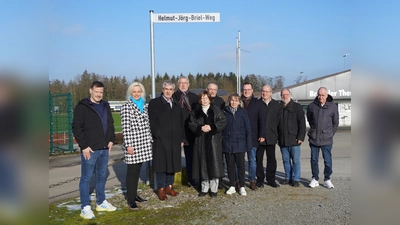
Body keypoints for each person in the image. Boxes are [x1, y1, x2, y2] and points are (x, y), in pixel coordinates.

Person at [72, 81, 117, 219]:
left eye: (101, 92)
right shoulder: (83, 107)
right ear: (90, 90)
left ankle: (101, 202)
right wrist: (84, 146)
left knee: (101, 176)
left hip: (104, 148)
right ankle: (85, 207)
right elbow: (76, 127)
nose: (99, 94)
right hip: (90, 149)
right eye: (96, 91)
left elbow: (110, 124)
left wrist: (111, 139)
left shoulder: (105, 105)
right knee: (86, 177)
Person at [148, 80, 184, 201]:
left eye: (170, 89)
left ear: (173, 91)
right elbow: (151, 121)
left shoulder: (176, 104)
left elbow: (180, 122)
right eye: (166, 89)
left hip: (174, 140)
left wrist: (181, 138)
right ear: (162, 90)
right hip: (161, 140)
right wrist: (157, 134)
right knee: (162, 165)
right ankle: (161, 188)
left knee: (172, 164)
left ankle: (169, 186)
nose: (168, 91)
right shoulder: (155, 103)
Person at [120, 82, 153, 210]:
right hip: (133, 144)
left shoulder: (144, 106)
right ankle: (130, 198)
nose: (137, 94)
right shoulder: (126, 107)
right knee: (132, 172)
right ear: (130, 93)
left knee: (137, 171)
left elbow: (148, 124)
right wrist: (128, 145)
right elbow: (126, 128)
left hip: (143, 143)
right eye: (134, 92)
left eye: (139, 91)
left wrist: (149, 139)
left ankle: (135, 195)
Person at [188, 91, 226, 197]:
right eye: (202, 98)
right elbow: (191, 123)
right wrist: (200, 128)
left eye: (206, 98)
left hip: (213, 141)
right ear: (200, 100)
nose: (204, 100)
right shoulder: (195, 111)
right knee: (202, 163)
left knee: (214, 164)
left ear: (210, 99)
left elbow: (222, 120)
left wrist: (212, 127)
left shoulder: (215, 110)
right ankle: (204, 188)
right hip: (200, 141)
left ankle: (214, 189)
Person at [307, 87, 339, 189]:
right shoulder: (312, 106)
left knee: (327, 161)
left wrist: (330, 133)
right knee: (314, 160)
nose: (321, 97)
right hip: (314, 138)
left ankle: (327, 179)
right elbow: (309, 119)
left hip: (327, 139)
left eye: (323, 95)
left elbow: (335, 123)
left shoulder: (332, 107)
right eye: (319, 95)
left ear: (327, 95)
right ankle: (315, 179)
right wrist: (313, 131)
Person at [222, 94, 252, 196]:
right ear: (229, 101)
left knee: (241, 166)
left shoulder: (242, 112)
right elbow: (221, 127)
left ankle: (242, 186)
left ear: (239, 102)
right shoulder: (225, 112)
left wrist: (248, 144)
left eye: (236, 100)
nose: (234, 102)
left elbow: (248, 128)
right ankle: (232, 185)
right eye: (232, 100)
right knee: (230, 165)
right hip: (228, 142)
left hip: (240, 143)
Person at [172, 76, 199, 187]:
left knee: (191, 157)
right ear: (178, 84)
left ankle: (191, 179)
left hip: (190, 132)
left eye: (185, 83)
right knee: (174, 156)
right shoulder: (173, 97)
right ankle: (171, 180)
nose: (183, 85)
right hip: (176, 130)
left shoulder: (194, 97)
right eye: (181, 83)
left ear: (188, 84)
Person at [277, 89, 306, 187]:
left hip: (294, 139)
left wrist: (301, 137)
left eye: (286, 94)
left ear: (290, 95)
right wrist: (277, 137)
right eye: (283, 95)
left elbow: (302, 123)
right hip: (282, 139)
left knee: (296, 160)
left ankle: (296, 178)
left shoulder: (297, 107)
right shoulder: (279, 108)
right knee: (286, 161)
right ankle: (287, 177)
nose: (285, 96)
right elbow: (276, 124)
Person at [241, 82, 266, 190]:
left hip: (253, 136)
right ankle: (239, 180)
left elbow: (262, 120)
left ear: (252, 90)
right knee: (240, 160)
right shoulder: (237, 101)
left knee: (252, 160)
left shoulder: (258, 103)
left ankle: (252, 180)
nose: (246, 91)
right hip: (240, 136)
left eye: (248, 89)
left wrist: (262, 134)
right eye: (244, 89)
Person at [256, 85, 281, 188]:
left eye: (267, 91)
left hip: (271, 137)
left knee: (271, 160)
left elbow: (279, 122)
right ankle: (260, 180)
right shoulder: (257, 104)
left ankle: (271, 179)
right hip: (259, 137)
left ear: (271, 93)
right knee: (259, 159)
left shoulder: (276, 105)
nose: (264, 93)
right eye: (263, 91)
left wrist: (278, 136)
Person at [206, 82, 226, 189]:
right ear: (207, 89)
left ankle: (220, 181)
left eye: (214, 89)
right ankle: (207, 180)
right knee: (207, 158)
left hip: (217, 134)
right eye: (210, 89)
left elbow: (223, 119)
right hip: (205, 135)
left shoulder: (221, 102)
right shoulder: (203, 100)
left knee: (219, 159)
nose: (212, 91)